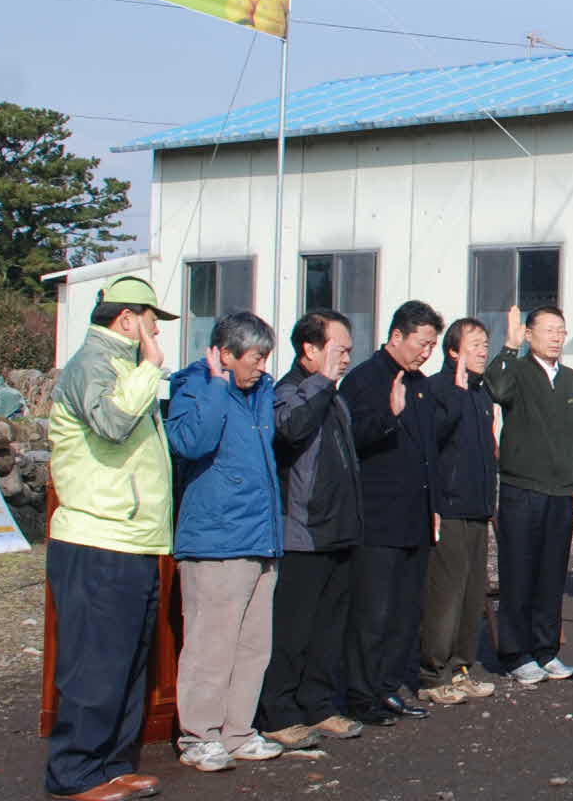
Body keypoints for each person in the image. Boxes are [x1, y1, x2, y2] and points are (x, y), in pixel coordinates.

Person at [42, 274, 177, 801]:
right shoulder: (92, 364)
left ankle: (112, 764)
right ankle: (73, 771)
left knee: (126, 660)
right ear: (128, 319)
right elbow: (114, 422)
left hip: (133, 538)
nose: (154, 331)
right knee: (95, 661)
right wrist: (150, 367)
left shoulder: (122, 366)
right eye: (150, 320)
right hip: (98, 537)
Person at [166, 311, 284, 773]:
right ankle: (199, 735)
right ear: (225, 354)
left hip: (258, 536)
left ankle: (237, 731)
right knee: (210, 645)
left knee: (253, 645)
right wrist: (217, 385)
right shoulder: (195, 387)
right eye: (255, 357)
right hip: (216, 541)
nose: (261, 366)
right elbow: (191, 441)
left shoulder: (260, 394)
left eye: (265, 358)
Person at [338, 300, 449, 725]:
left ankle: (388, 686)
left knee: (405, 612)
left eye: (432, 346)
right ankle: (360, 694)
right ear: (397, 336)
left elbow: (429, 453)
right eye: (421, 343)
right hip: (377, 517)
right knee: (372, 612)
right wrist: (390, 414)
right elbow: (353, 440)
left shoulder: (420, 384)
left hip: (415, 517)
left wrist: (433, 505)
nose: (426, 353)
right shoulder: (365, 380)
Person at [260, 309, 362, 746]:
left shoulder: (335, 397)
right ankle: (278, 713)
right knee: (292, 630)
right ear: (310, 349)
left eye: (349, 351)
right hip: (301, 531)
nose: (345, 359)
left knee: (328, 629)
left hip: (340, 528)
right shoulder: (288, 391)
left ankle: (319, 705)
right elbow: (290, 431)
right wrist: (321, 382)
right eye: (339, 350)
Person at [485, 305, 573, 685]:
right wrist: (508, 347)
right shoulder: (516, 370)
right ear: (529, 334)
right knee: (519, 572)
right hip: (521, 489)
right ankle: (515, 654)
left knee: (551, 575)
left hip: (561, 492)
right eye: (548, 330)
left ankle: (546, 649)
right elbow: (495, 388)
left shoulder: (571, 382)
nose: (556, 337)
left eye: (561, 331)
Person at [419, 318, 500, 705]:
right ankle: (432, 674)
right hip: (448, 507)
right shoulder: (438, 388)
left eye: (486, 344)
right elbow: (432, 445)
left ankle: (461, 667)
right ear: (453, 351)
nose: (484, 350)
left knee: (472, 594)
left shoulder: (482, 394)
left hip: (477, 508)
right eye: (475, 344)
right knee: (445, 594)